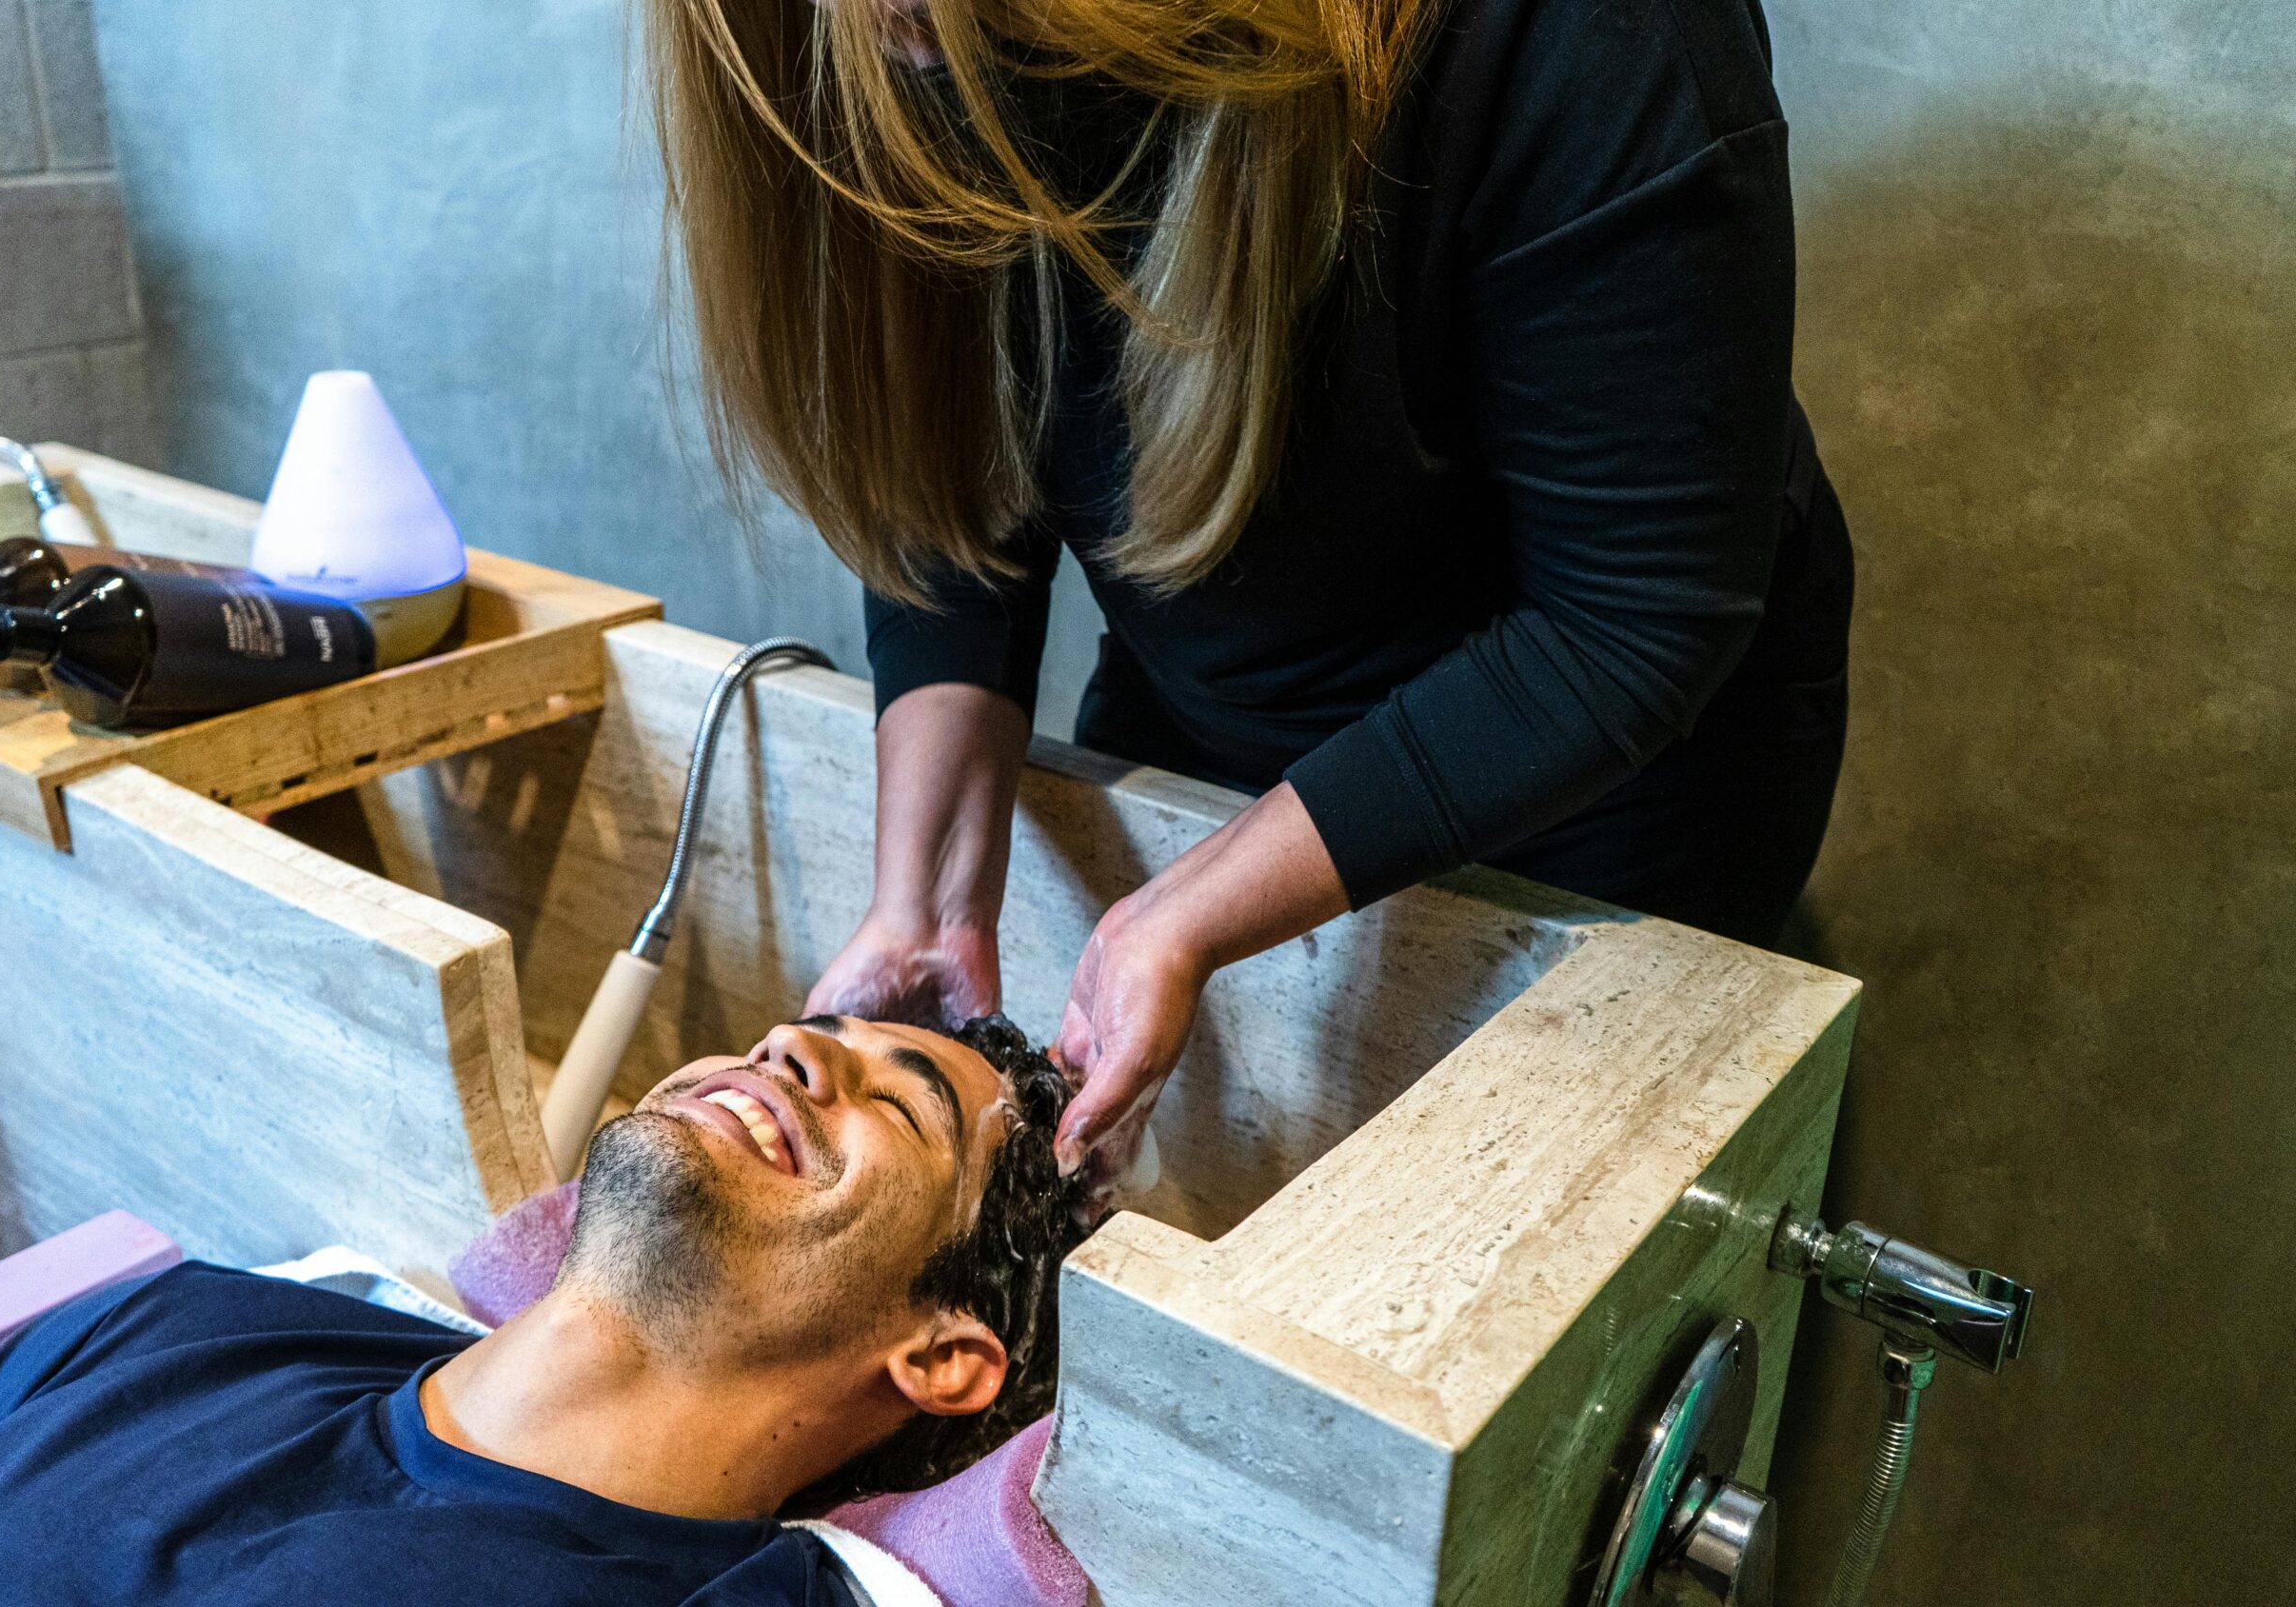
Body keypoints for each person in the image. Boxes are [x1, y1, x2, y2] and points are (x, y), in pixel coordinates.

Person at [651, 0, 1856, 1180]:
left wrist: (1181, 917)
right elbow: (952, 458)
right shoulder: (867, 33)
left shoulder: (1592, 36)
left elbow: (1626, 619)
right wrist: (926, 896)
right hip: (1216, 677)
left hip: (1600, 772)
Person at [0, 1015, 1086, 1606]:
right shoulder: (190, 1326)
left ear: (942, 1356)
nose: (787, 1046)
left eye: (900, 1101)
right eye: (802, 1031)